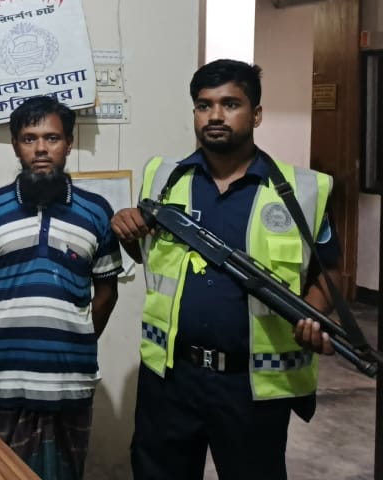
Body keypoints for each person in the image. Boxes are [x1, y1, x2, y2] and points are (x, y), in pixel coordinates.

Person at [111, 59, 340, 480]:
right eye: (204, 105)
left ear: (256, 114)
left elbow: (329, 273)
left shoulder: (303, 191)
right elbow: (151, 258)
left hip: (252, 386)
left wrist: (312, 316)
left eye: (230, 104)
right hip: (170, 379)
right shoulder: (162, 179)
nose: (215, 116)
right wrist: (127, 229)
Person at [0, 96, 121, 479]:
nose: (40, 149)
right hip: (3, 378)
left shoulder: (96, 211)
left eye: (51, 138)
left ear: (68, 143)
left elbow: (107, 291)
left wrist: (78, 338)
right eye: (29, 138)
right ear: (15, 145)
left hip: (70, 380)